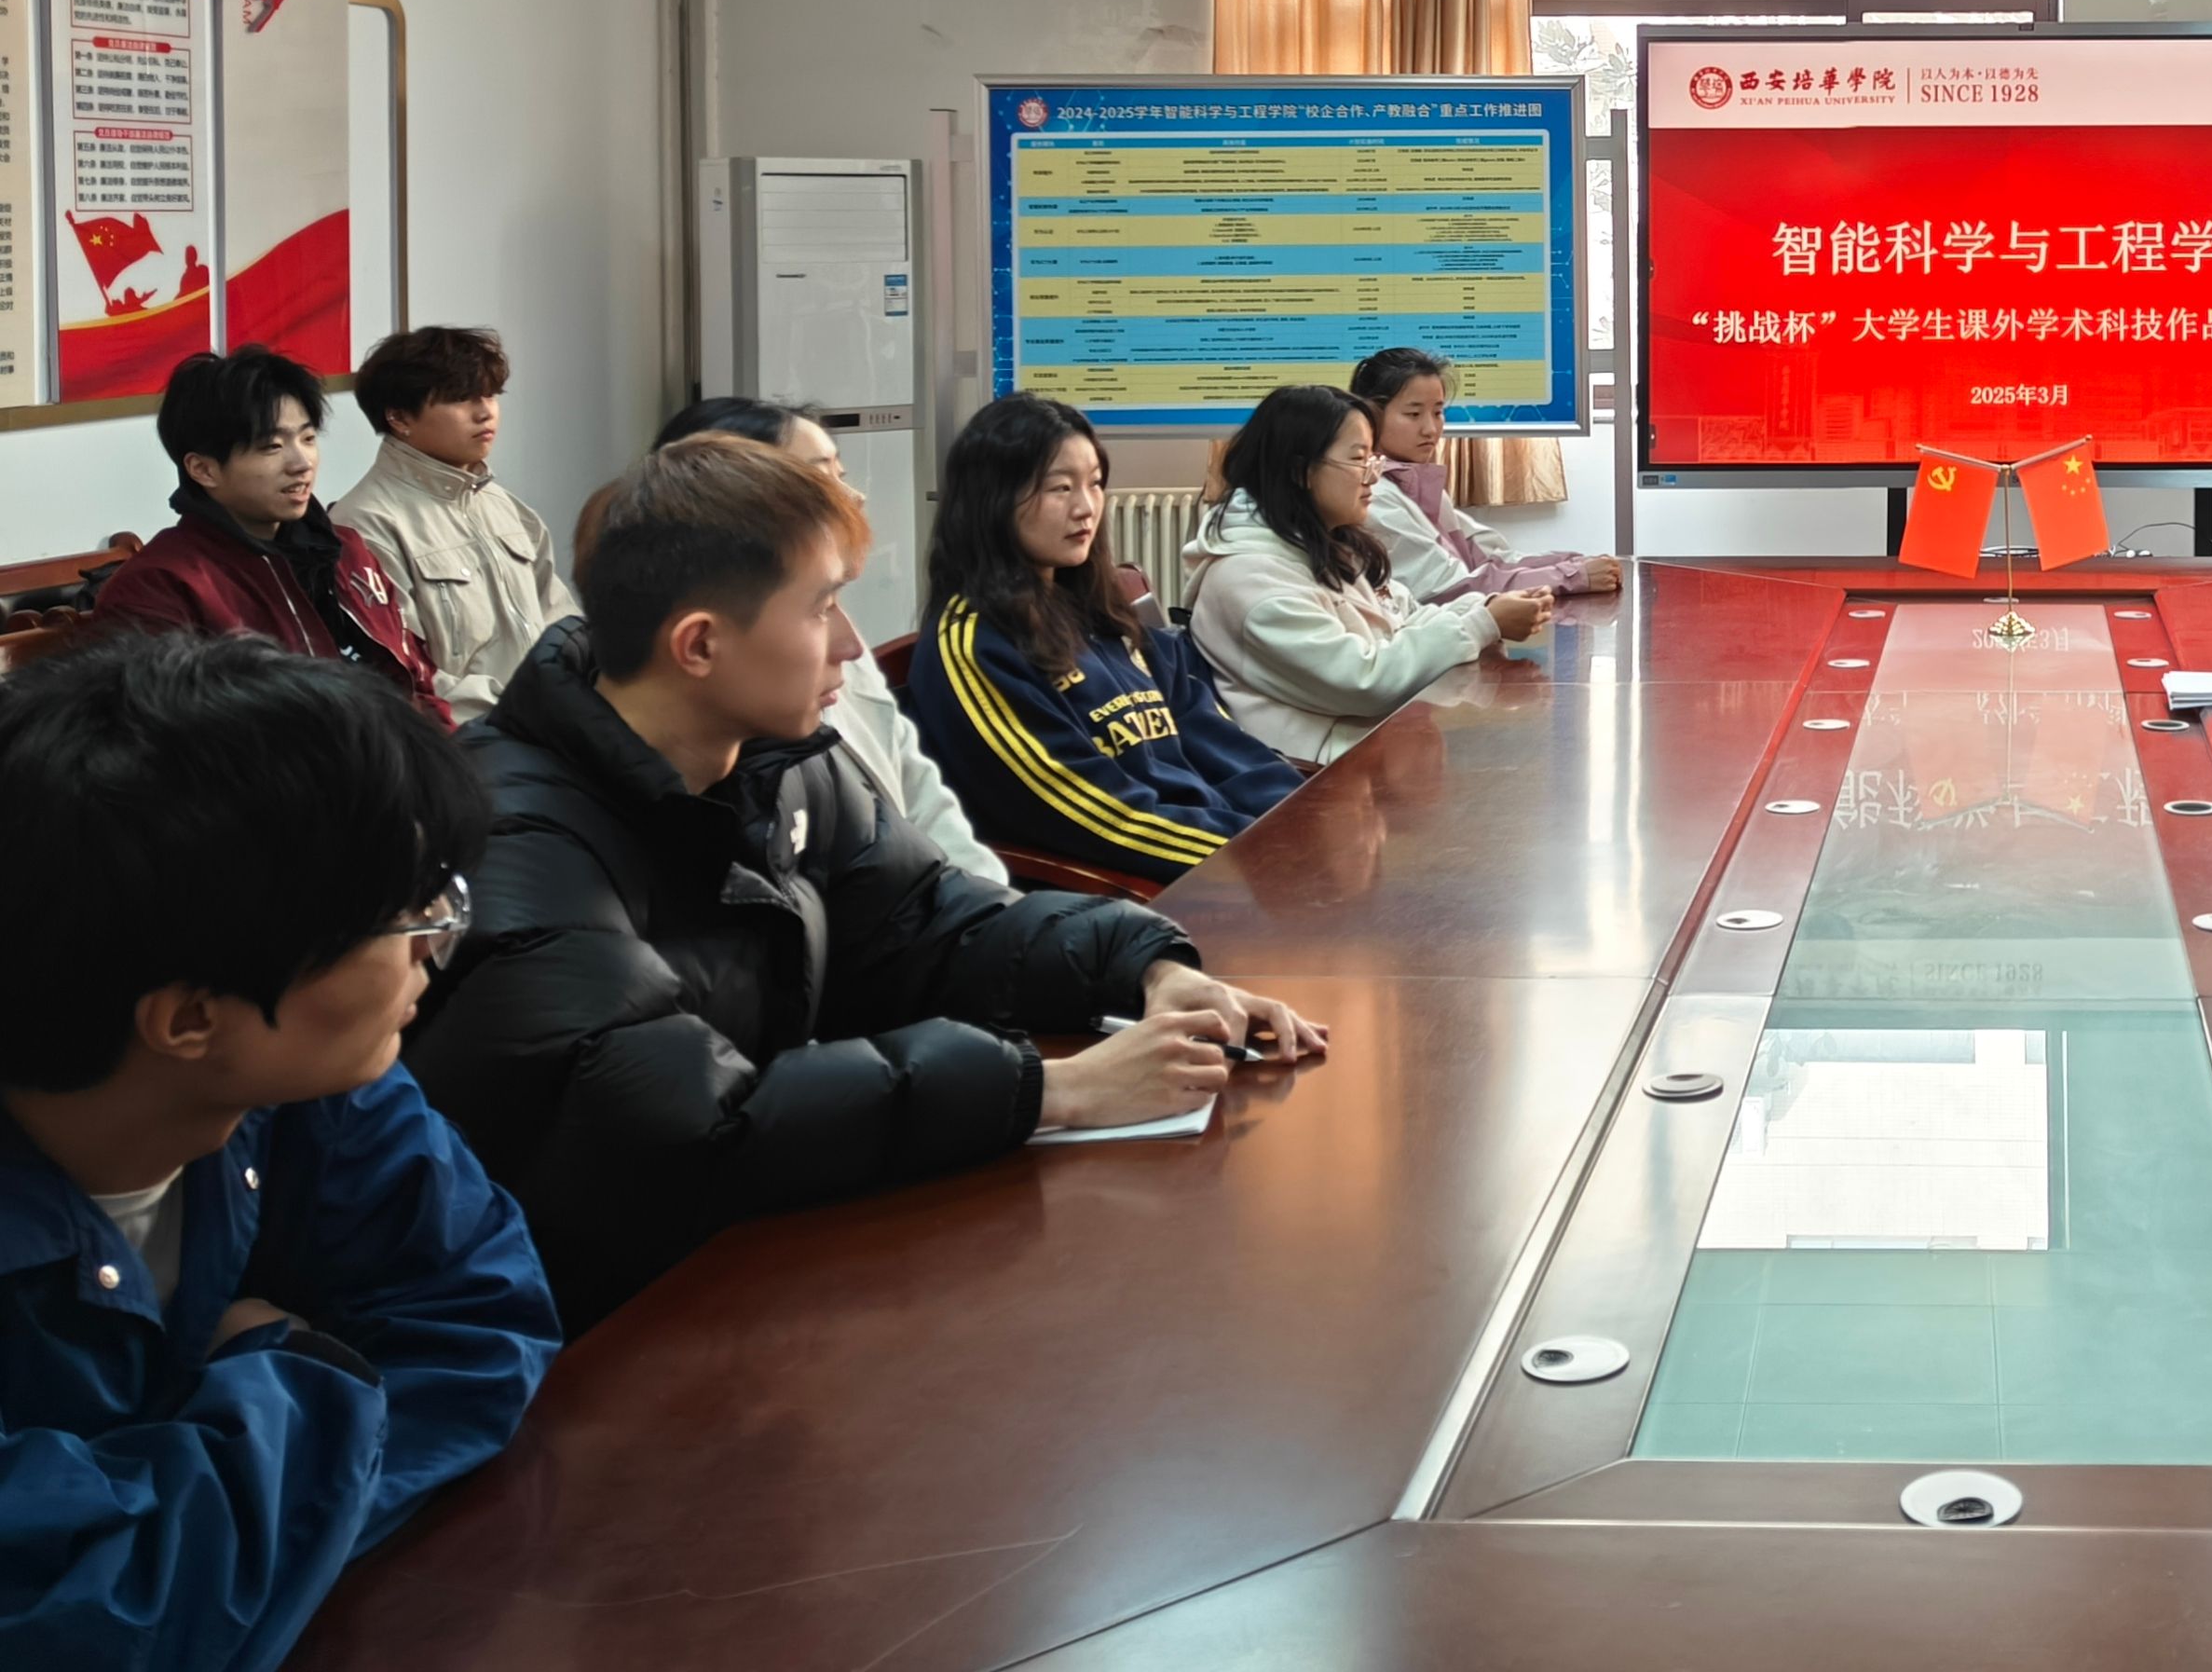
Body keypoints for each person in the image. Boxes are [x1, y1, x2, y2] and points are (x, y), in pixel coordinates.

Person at [404, 438, 1318, 1329]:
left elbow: (930, 922)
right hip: (586, 1321)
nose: (850, 643)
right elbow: (683, 1124)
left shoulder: (779, 760)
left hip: (757, 1253)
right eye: (822, 608)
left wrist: (1146, 965)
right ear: (699, 645)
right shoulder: (512, 832)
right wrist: (1052, 1091)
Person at [1, 634, 555, 1665]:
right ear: (190, 1019)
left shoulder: (310, 1086)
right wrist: (289, 1367)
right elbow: (70, 1622)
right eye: (405, 913)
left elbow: (483, 1323)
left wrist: (214, 1520)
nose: (439, 939)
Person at [903, 392, 1306, 887]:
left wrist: (1308, 819)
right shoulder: (975, 644)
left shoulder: (1103, 614)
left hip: (1226, 856)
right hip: (1142, 891)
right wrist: (1262, 857)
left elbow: (1219, 739)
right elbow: (1090, 814)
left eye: (1094, 484)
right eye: (1060, 488)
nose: (1086, 508)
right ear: (995, 499)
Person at [659, 397, 1007, 890]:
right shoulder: (721, 709)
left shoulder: (840, 638)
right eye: (822, 480)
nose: (855, 498)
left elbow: (923, 802)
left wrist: (992, 903)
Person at [1190, 383, 1552, 769]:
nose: (1373, 477)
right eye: (1359, 460)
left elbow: (1405, 616)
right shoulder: (1251, 582)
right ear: (1301, 471)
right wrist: (1482, 623)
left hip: (1370, 743)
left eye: (1373, 460)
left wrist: (1485, 608)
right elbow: (1364, 682)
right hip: (1311, 775)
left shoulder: (1322, 545)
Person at [96, 346, 444, 720]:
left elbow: (418, 681)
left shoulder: (345, 550)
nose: (302, 463)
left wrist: (438, 746)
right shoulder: (159, 587)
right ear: (203, 470)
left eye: (308, 438)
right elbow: (161, 735)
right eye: (272, 446)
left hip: (405, 748)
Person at [333, 324, 582, 720]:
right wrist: (530, 712)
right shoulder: (364, 524)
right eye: (461, 398)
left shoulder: (504, 506)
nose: (485, 412)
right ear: (399, 417)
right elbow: (408, 677)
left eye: (491, 394)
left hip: (551, 724)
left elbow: (561, 622)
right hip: (466, 738)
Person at [1348, 347, 1622, 603]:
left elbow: (1490, 558)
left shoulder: (1413, 484)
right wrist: (1570, 577)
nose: (1430, 429)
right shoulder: (1373, 496)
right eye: (1413, 414)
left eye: (1438, 412)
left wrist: (1574, 564)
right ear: (1369, 416)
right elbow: (1451, 588)